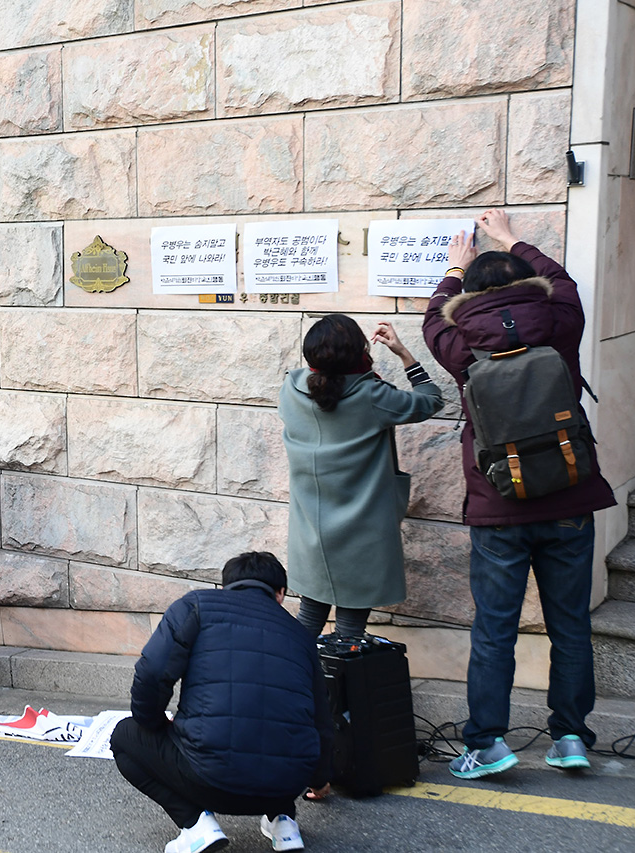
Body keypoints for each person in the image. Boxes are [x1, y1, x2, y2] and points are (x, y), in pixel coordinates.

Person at [423, 209, 616, 778]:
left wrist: (454, 271)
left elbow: (433, 318)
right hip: (570, 501)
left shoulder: (460, 344)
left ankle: (487, 744)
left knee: (495, 630)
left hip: (499, 505)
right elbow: (564, 284)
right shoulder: (560, 323)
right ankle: (572, 738)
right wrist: (514, 240)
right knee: (570, 626)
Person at [111, 551, 333, 853]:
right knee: (276, 736)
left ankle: (196, 825)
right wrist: (319, 780)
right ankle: (285, 825)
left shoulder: (197, 606)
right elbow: (321, 721)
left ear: (226, 586)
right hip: (286, 784)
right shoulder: (302, 637)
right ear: (280, 594)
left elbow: (152, 673)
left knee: (124, 736)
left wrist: (155, 726)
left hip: (209, 779)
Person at [279, 315, 444, 640]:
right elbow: (432, 399)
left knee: (307, 620)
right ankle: (341, 689)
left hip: (311, 530)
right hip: (362, 533)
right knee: (349, 632)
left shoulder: (290, 389)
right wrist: (404, 353)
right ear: (359, 352)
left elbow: (327, 393)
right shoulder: (372, 396)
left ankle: (296, 684)